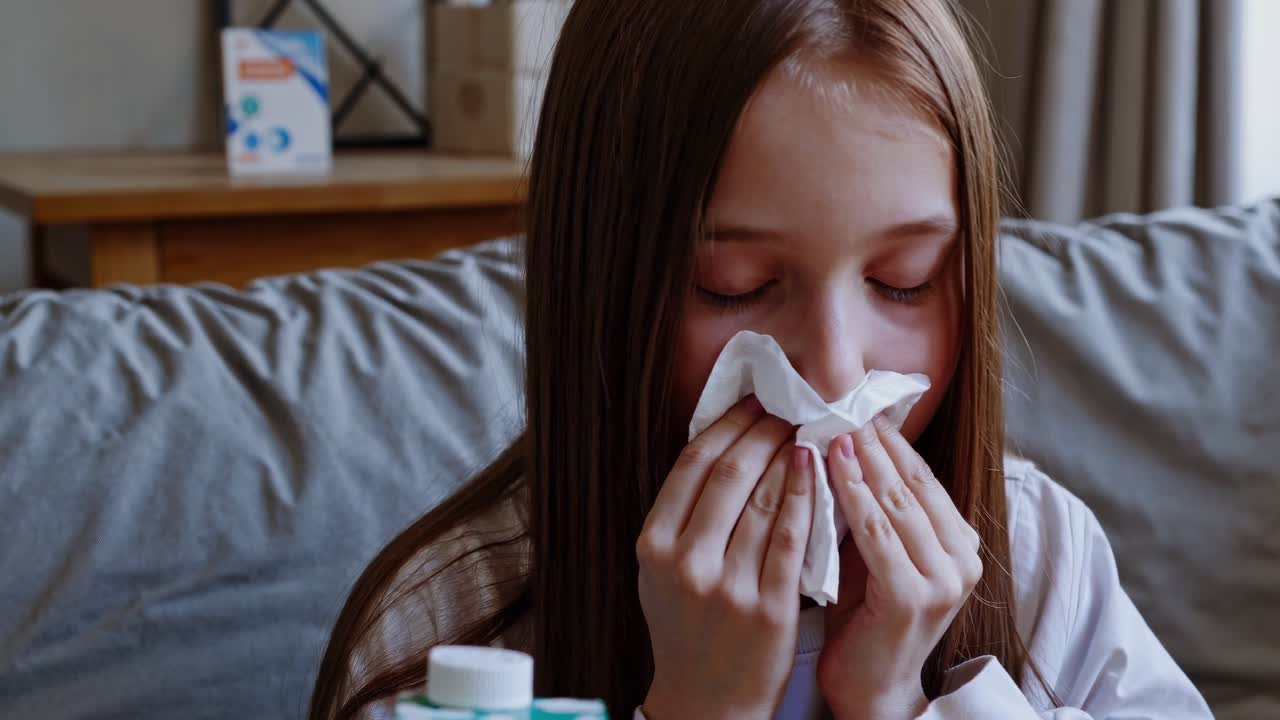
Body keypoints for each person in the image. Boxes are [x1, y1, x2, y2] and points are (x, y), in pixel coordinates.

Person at [309, 1, 1213, 718]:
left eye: (904, 281)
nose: (831, 372)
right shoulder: (453, 630)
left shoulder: (1038, 560)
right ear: (604, 289)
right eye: (733, 285)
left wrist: (903, 705)